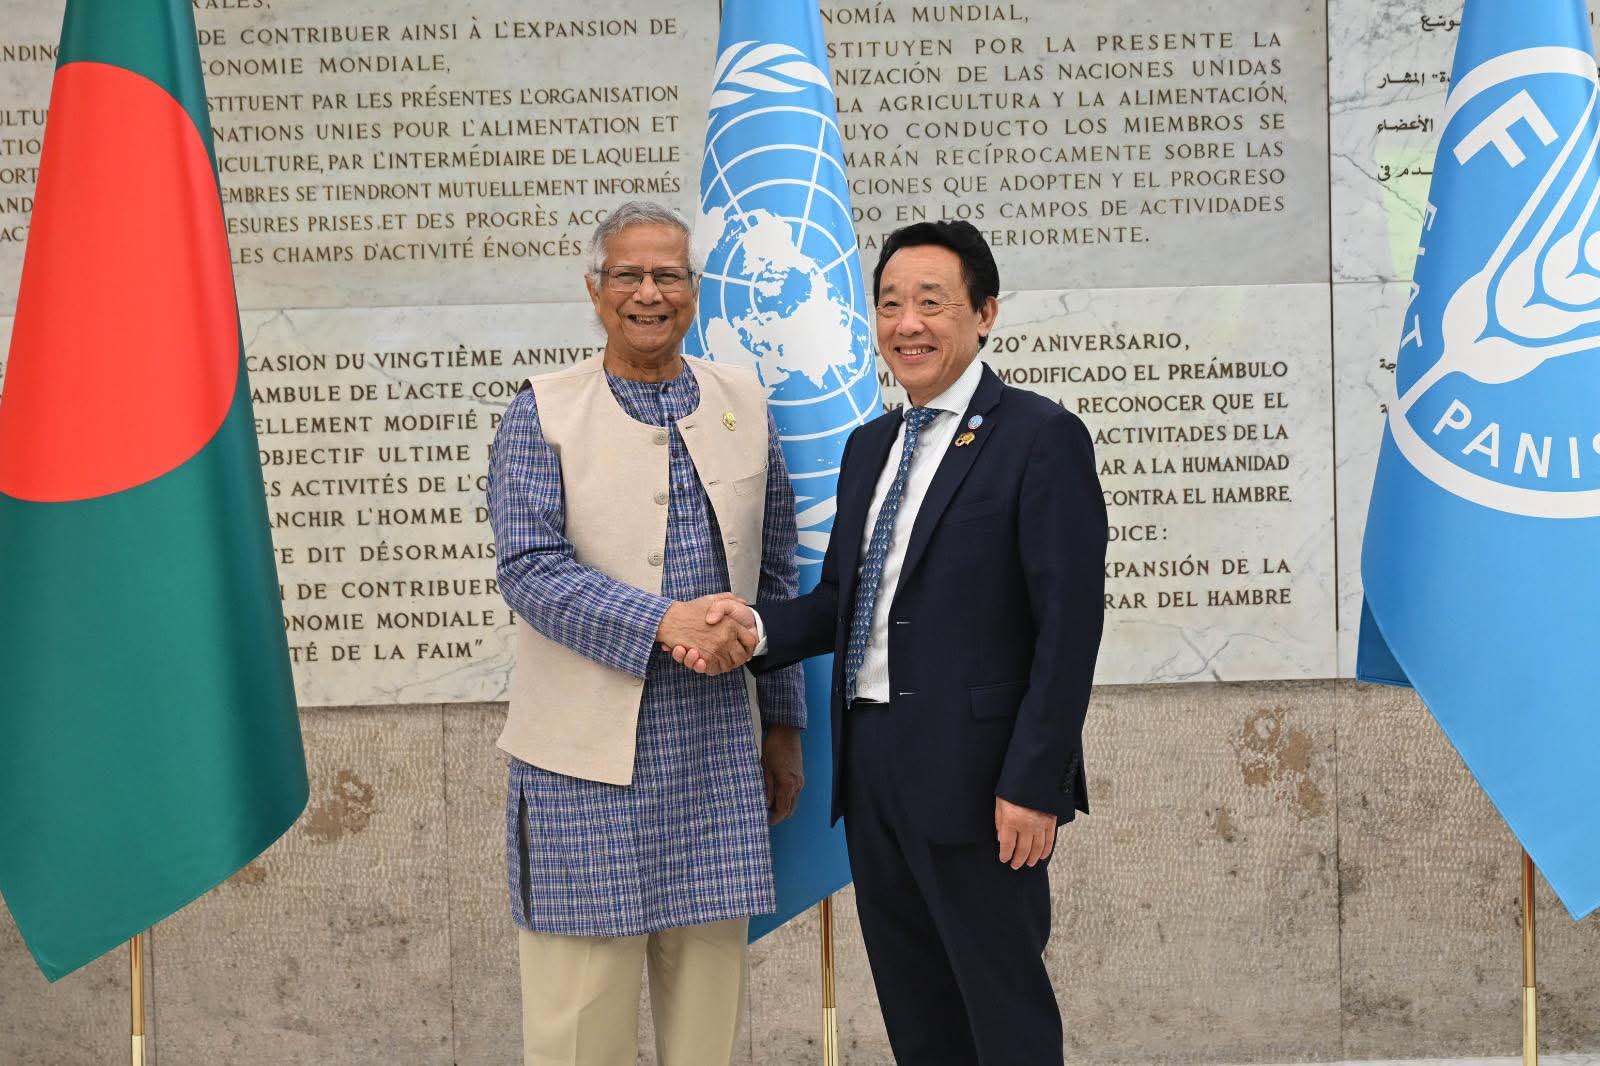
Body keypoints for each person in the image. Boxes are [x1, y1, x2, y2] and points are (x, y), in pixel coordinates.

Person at [675, 220, 1106, 1065]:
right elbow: (845, 601)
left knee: (1004, 1015)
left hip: (984, 781)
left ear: (984, 314)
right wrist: (753, 628)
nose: (908, 324)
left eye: (932, 303)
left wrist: (1034, 783)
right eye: (890, 303)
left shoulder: (1038, 437)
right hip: (871, 771)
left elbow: (1069, 630)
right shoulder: (871, 445)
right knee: (918, 1013)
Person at [486, 200, 806, 1066]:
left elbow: (776, 572)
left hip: (715, 756)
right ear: (595, 291)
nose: (648, 293)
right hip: (582, 765)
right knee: (580, 1027)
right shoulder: (542, 413)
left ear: (694, 291)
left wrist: (783, 726)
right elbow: (530, 570)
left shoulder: (744, 401)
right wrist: (662, 620)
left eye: (668, 275)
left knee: (708, 1022)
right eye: (627, 275)